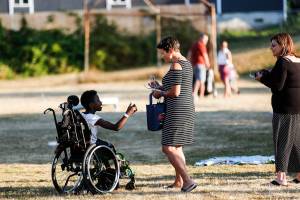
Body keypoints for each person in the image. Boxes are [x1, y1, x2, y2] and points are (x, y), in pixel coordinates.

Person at [150, 36, 197, 192]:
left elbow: (175, 92)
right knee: (177, 148)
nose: (162, 56)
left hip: (177, 109)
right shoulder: (186, 63)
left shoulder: (176, 65)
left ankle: (188, 181)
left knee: (168, 147)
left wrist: (159, 93)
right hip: (185, 108)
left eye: (163, 53)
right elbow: (176, 86)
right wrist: (159, 87)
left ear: (170, 50)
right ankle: (179, 182)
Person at [255, 33, 300, 186]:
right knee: (296, 142)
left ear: (283, 46)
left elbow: (277, 86)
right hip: (298, 107)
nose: (271, 48)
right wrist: (269, 74)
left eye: (274, 45)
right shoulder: (298, 60)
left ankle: (281, 178)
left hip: (284, 109)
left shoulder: (282, 62)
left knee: (282, 142)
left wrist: (261, 78)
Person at [189, 33, 210, 99]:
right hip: (201, 64)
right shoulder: (201, 45)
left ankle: (201, 95)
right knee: (200, 79)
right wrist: (208, 63)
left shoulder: (194, 44)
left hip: (194, 64)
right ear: (201, 38)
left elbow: (189, 53)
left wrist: (188, 61)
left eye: (207, 39)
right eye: (205, 39)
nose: (206, 41)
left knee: (201, 80)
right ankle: (195, 93)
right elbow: (205, 55)